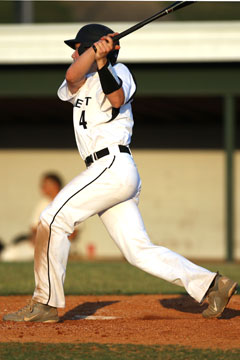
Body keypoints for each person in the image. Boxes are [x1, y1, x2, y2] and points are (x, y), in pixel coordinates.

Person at [3, 24, 238, 323]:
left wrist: (103, 60)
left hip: (113, 165)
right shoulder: (78, 81)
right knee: (138, 251)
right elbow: (72, 76)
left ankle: (45, 303)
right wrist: (93, 53)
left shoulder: (121, 72)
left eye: (78, 48)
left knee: (53, 218)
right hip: (105, 171)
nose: (73, 54)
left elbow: (115, 99)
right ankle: (214, 285)